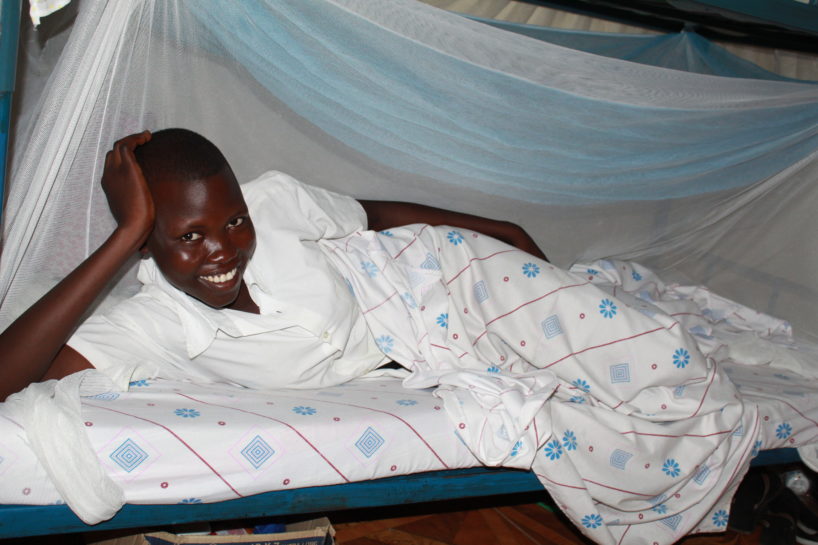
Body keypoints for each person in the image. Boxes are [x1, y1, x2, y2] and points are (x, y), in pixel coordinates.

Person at [0, 128, 547, 401]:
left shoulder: (273, 201)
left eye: (234, 221)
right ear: (146, 241)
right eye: (189, 235)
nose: (223, 251)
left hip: (452, 283)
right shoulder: (156, 324)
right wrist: (123, 234)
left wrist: (498, 230)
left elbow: (373, 216)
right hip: (458, 348)